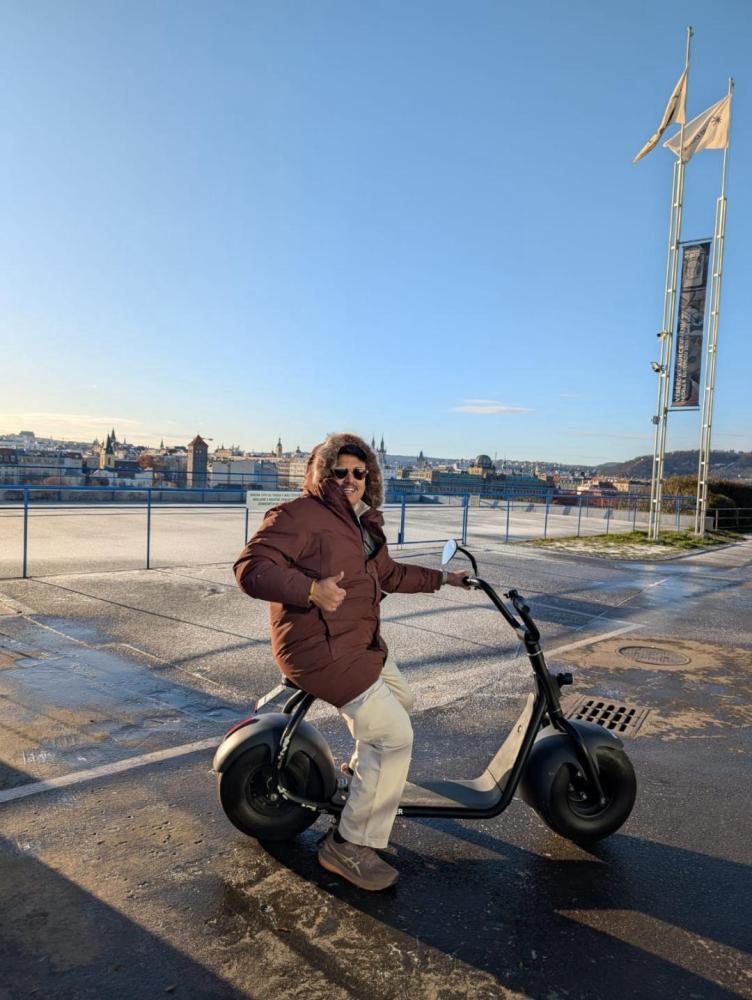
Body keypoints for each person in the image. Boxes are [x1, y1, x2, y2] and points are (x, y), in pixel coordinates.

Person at [233, 432, 469, 891]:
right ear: (323, 474)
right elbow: (249, 567)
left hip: (356, 642)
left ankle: (362, 778)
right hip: (318, 648)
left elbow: (391, 574)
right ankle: (349, 846)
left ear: (369, 477)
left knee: (401, 701)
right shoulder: (298, 515)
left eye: (359, 473)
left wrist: (446, 578)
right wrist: (309, 590)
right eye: (339, 471)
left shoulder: (361, 524)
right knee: (394, 737)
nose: (350, 480)